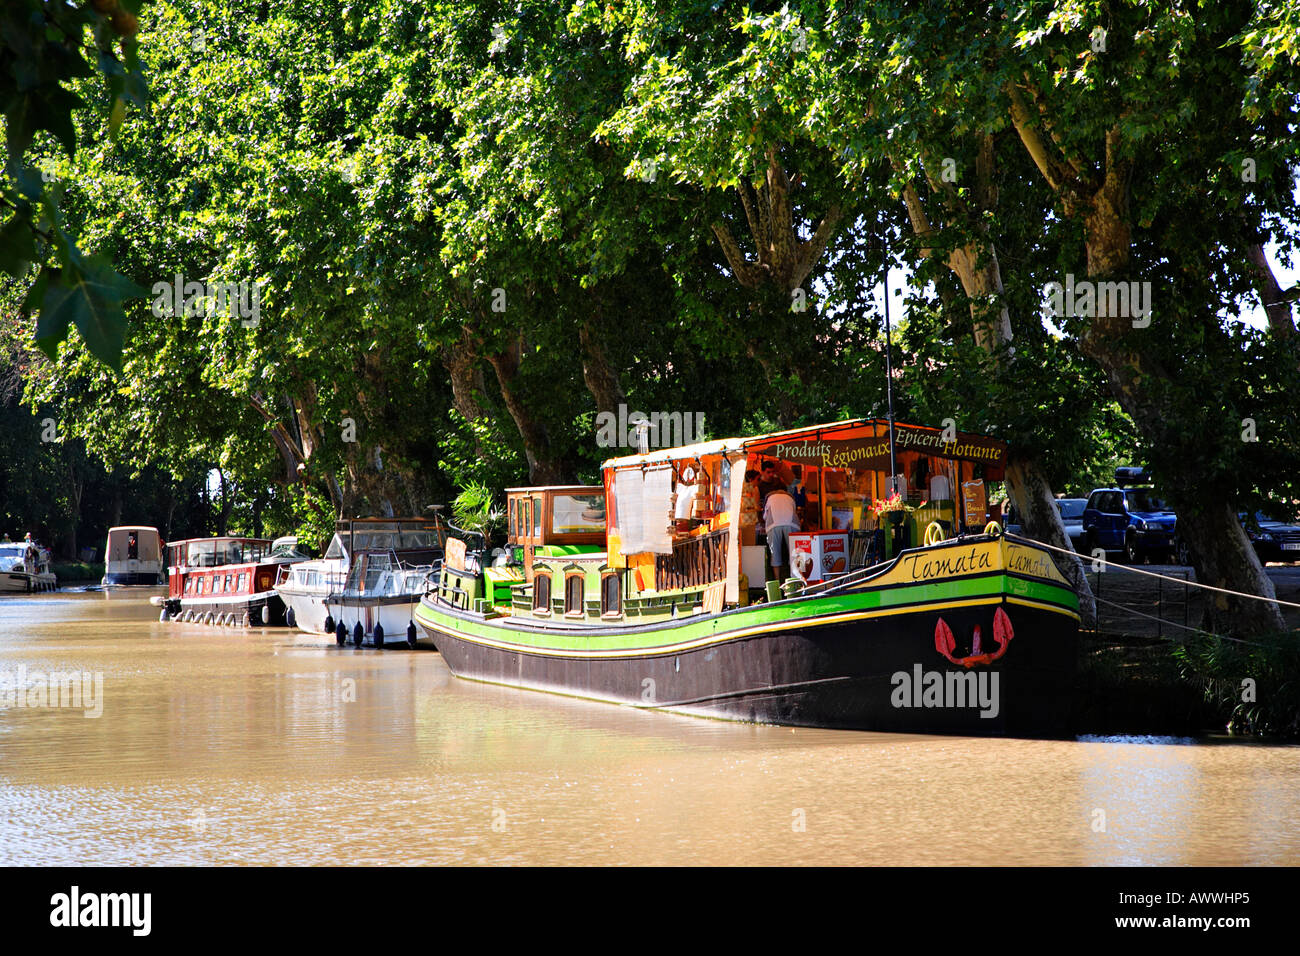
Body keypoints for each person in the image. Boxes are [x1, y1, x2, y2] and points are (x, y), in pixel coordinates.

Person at [763, 486, 801, 583]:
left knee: (775, 552)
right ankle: (796, 579)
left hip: (773, 524)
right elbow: (794, 511)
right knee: (795, 552)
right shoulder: (790, 498)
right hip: (792, 524)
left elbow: (765, 516)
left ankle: (777, 581)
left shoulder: (770, 498)